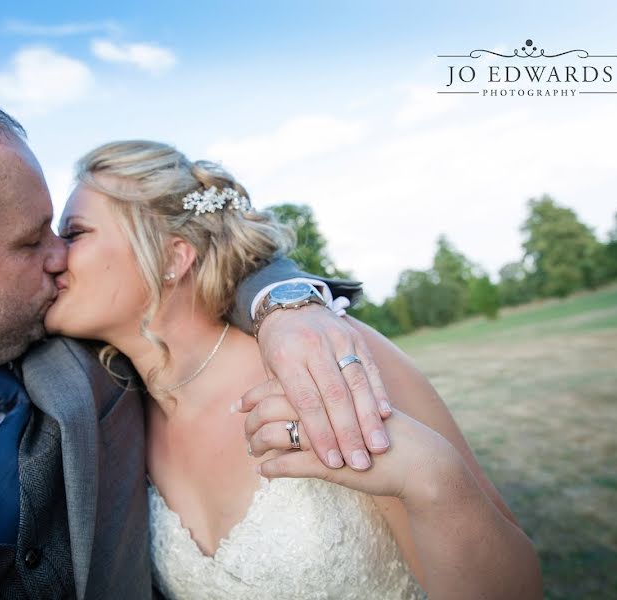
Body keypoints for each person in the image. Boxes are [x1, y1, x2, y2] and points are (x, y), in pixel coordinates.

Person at [0, 85, 389, 599]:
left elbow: (182, 276)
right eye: (31, 242)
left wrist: (286, 304)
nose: (61, 257)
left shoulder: (88, 359)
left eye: (66, 231)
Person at [44, 140, 544, 599]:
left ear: (174, 256)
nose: (51, 256)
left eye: (74, 233)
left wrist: (431, 477)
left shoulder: (320, 354)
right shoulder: (117, 410)